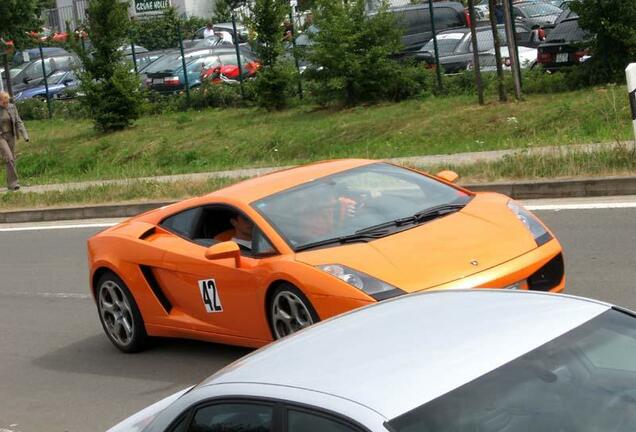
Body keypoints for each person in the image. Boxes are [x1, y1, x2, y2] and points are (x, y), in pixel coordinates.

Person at [0, 91, 29, 191]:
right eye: (4, 103)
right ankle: (14, 183)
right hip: (1, 137)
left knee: (12, 159)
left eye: (7, 102)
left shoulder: (12, 107)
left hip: (11, 135)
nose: (6, 105)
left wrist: (25, 135)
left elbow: (18, 121)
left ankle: (10, 184)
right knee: (9, 158)